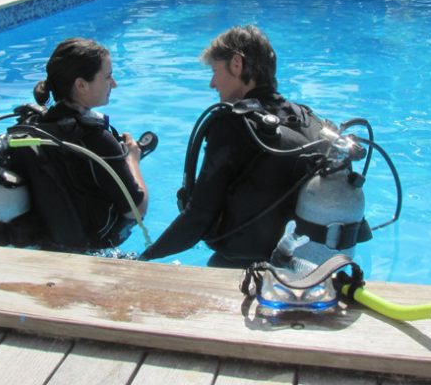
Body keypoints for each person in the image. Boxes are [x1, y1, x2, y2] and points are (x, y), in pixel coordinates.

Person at [139, 25, 330, 267]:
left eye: (215, 70)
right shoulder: (310, 119)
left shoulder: (235, 124)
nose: (212, 83)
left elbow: (199, 217)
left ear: (237, 64)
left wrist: (145, 258)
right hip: (308, 266)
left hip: (243, 268)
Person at [0, 37, 150, 252]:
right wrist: (132, 158)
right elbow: (136, 210)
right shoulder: (97, 139)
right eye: (108, 77)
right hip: (88, 248)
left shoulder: (32, 128)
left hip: (42, 245)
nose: (114, 84)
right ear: (81, 85)